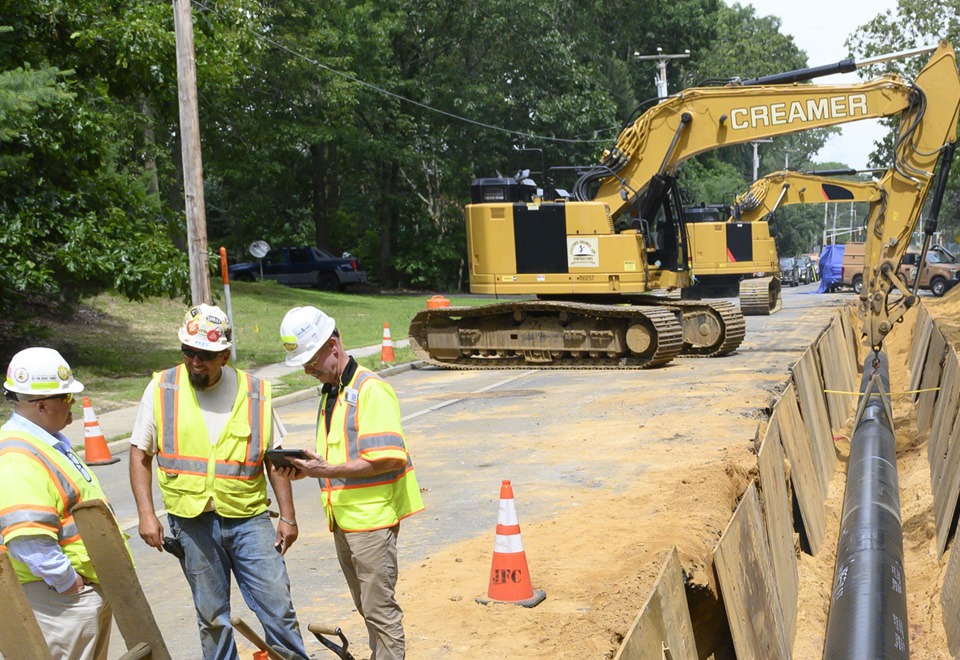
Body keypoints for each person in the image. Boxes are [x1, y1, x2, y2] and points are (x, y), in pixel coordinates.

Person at [128, 304, 307, 660]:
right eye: (189, 352)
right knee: (212, 617)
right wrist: (146, 515)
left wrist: (288, 515)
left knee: (278, 608)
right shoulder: (162, 388)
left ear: (225, 354)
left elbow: (275, 460)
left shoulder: (255, 392)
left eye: (206, 355)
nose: (196, 362)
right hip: (192, 522)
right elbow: (139, 454)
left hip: (249, 518)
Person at [277, 306, 425, 660]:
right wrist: (308, 468)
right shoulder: (332, 391)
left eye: (312, 361)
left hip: (371, 521)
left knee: (380, 611)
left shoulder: (369, 389)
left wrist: (325, 470)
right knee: (367, 607)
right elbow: (342, 456)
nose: (309, 370)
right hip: (346, 519)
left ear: (333, 345)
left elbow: (389, 457)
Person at [0, 347, 126, 660]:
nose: (72, 404)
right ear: (42, 405)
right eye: (66, 398)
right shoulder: (18, 457)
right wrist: (70, 585)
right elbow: (29, 542)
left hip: (69, 597)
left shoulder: (46, 442)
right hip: (56, 601)